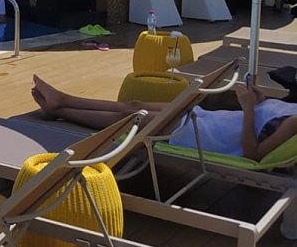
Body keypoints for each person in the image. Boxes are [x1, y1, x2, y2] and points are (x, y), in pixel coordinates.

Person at [29, 74, 297, 161]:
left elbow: (254, 153)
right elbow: (267, 124)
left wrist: (249, 108)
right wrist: (261, 103)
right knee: (133, 105)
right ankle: (61, 101)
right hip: (203, 119)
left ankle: (59, 108)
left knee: (129, 121)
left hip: (201, 135)